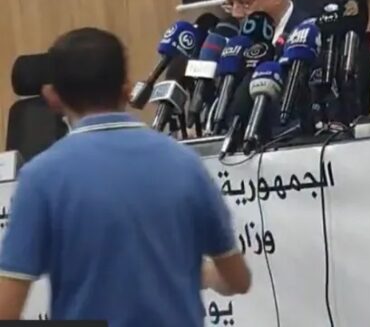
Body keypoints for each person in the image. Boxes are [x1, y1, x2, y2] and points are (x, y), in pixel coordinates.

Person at [0, 28, 251, 323]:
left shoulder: (40, 177)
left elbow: (6, 310)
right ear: (128, 88)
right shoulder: (186, 163)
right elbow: (238, 280)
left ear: (52, 96)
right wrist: (196, 272)